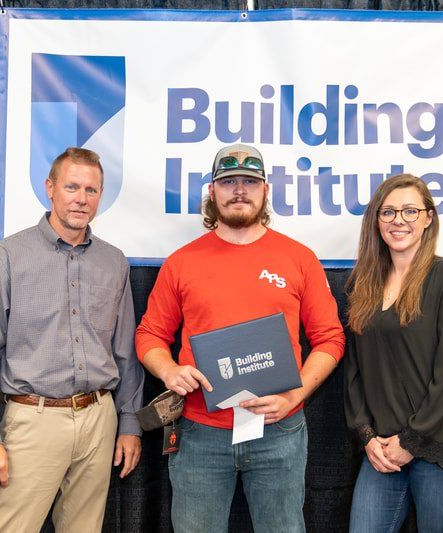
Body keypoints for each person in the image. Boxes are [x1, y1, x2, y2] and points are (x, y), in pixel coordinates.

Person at [135, 144, 345, 533]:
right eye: (228, 181)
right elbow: (150, 334)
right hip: (200, 432)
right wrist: (168, 371)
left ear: (265, 190)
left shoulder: (299, 258)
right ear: (212, 193)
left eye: (250, 181)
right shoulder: (182, 262)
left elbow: (330, 339)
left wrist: (294, 396)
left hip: (278, 431)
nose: (239, 190)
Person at [0, 147, 144, 532]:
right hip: (33, 420)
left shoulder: (114, 262)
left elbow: (125, 352)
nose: (81, 199)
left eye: (91, 190)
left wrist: (129, 423)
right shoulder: (7, 257)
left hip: (99, 418)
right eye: (72, 187)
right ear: (50, 189)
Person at [344, 174, 443, 532]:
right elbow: (355, 370)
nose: (398, 220)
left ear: (428, 218)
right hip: (383, 450)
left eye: (409, 211)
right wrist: (366, 436)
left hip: (440, 444)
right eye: (388, 212)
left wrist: (412, 441)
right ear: (376, 220)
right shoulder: (363, 284)